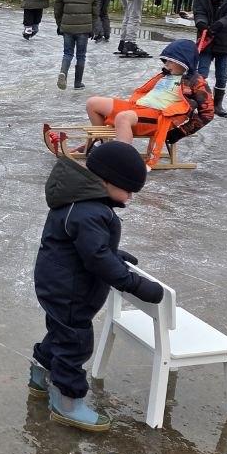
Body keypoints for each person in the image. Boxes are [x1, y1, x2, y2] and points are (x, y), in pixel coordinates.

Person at [28, 140, 163, 432]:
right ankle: (67, 402)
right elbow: (96, 257)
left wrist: (115, 254)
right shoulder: (89, 211)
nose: (129, 197)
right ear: (105, 181)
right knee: (74, 343)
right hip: (70, 290)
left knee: (62, 332)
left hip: (59, 283)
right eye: (128, 190)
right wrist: (134, 284)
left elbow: (89, 247)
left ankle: (39, 376)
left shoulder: (83, 202)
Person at [83, 39, 215, 166]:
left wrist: (180, 132)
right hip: (138, 107)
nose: (166, 64)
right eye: (166, 60)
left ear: (183, 62)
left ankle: (121, 160)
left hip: (159, 117)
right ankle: (102, 144)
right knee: (93, 103)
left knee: (123, 118)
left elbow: (208, 113)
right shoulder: (166, 74)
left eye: (171, 61)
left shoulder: (196, 82)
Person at [54, 0, 98, 91]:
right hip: (84, 30)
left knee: (67, 53)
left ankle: (63, 73)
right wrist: (92, 28)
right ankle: (78, 83)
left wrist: (60, 24)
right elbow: (96, 14)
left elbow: (58, 9)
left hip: (67, 27)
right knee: (81, 55)